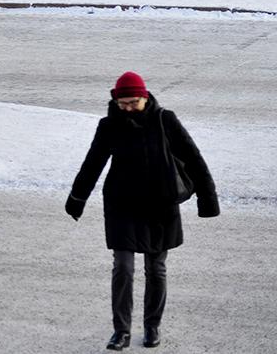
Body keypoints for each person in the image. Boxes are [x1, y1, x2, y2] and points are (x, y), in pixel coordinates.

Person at [66, 72, 219, 351]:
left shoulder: (165, 120)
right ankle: (121, 331)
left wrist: (208, 200)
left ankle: (152, 326)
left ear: (144, 97)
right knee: (123, 268)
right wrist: (77, 198)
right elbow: (93, 163)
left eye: (132, 103)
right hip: (122, 206)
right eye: (122, 103)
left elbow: (195, 159)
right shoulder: (109, 125)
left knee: (156, 269)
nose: (127, 108)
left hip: (159, 206)